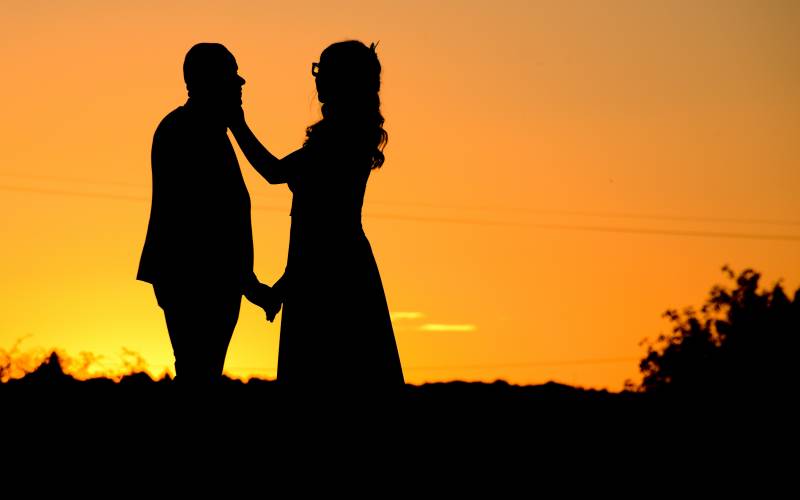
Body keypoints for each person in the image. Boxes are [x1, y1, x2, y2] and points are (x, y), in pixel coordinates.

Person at [230, 40, 404, 388]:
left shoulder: (340, 139)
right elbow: (316, 227)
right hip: (329, 267)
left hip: (331, 275)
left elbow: (275, 173)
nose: (317, 78)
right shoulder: (345, 135)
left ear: (342, 80)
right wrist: (284, 285)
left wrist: (236, 121)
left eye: (323, 70)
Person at [137, 43, 276, 384]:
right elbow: (203, 225)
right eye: (231, 75)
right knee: (199, 376)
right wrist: (247, 283)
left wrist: (245, 282)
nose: (241, 82)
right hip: (196, 281)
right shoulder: (186, 132)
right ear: (208, 81)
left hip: (210, 281)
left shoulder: (206, 130)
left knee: (201, 375)